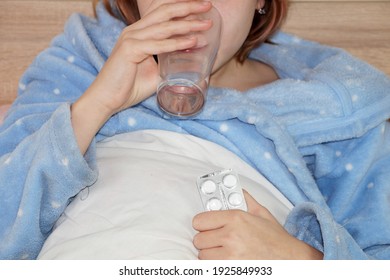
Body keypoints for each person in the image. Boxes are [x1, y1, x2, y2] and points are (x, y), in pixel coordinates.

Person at [0, 0, 389, 260]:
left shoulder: (339, 109)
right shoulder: (80, 62)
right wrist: (99, 102)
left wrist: (302, 259)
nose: (191, 7)